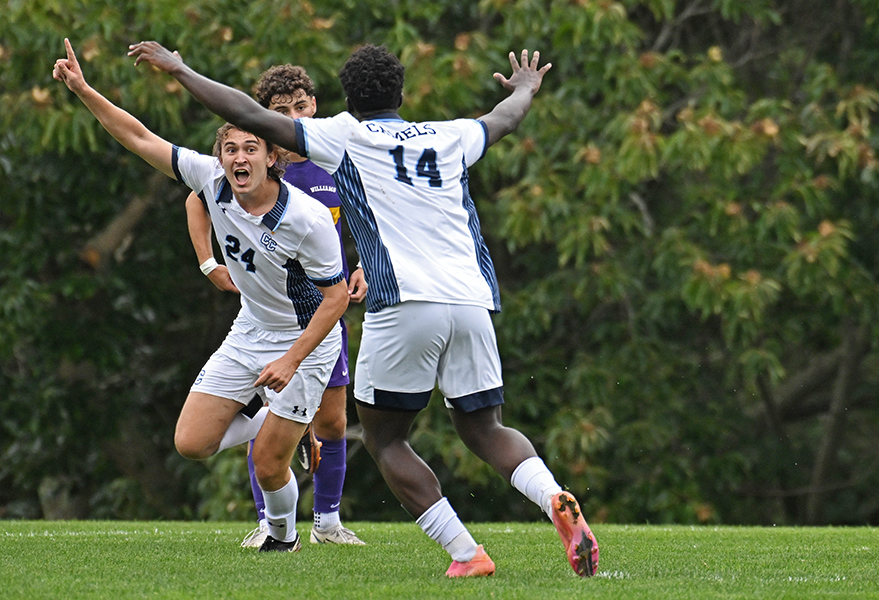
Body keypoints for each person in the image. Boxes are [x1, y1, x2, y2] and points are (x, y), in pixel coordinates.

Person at [127, 40, 598, 577]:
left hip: (402, 301)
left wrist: (182, 68)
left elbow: (245, 114)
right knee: (485, 428)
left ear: (346, 97)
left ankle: (467, 555)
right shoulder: (450, 134)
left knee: (387, 438)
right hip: (472, 299)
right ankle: (552, 495)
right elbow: (504, 117)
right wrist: (527, 87)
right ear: (402, 91)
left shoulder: (344, 133)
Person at [54, 39, 348, 553]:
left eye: (250, 148)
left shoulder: (306, 219)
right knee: (191, 444)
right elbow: (138, 136)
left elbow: (337, 298)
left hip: (304, 342)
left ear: (271, 157)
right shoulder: (211, 181)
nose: (238, 157)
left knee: (267, 463)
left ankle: (283, 536)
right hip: (250, 328)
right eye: (230, 149)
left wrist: (290, 360)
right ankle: (284, 422)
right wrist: (83, 90)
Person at [184, 64, 368, 548]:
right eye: (279, 111)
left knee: (331, 422)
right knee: (273, 430)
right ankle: (270, 524)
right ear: (264, 116)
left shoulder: (334, 160)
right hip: (270, 316)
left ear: (314, 106)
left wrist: (367, 265)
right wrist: (209, 264)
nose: (291, 116)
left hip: (323, 314)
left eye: (300, 107)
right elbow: (196, 200)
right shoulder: (250, 160)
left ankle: (328, 522)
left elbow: (374, 218)